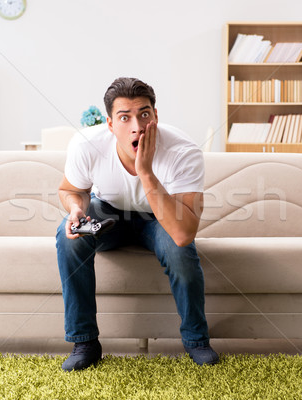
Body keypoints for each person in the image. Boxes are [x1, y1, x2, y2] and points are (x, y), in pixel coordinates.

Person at [56, 77, 219, 371]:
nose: (137, 126)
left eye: (144, 114)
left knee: (180, 251)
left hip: (159, 216)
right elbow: (69, 190)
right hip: (108, 214)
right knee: (68, 236)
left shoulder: (183, 151)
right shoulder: (87, 144)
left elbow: (183, 234)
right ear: (109, 124)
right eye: (124, 117)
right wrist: (76, 209)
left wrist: (145, 172)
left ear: (156, 116)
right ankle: (85, 342)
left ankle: (196, 339)